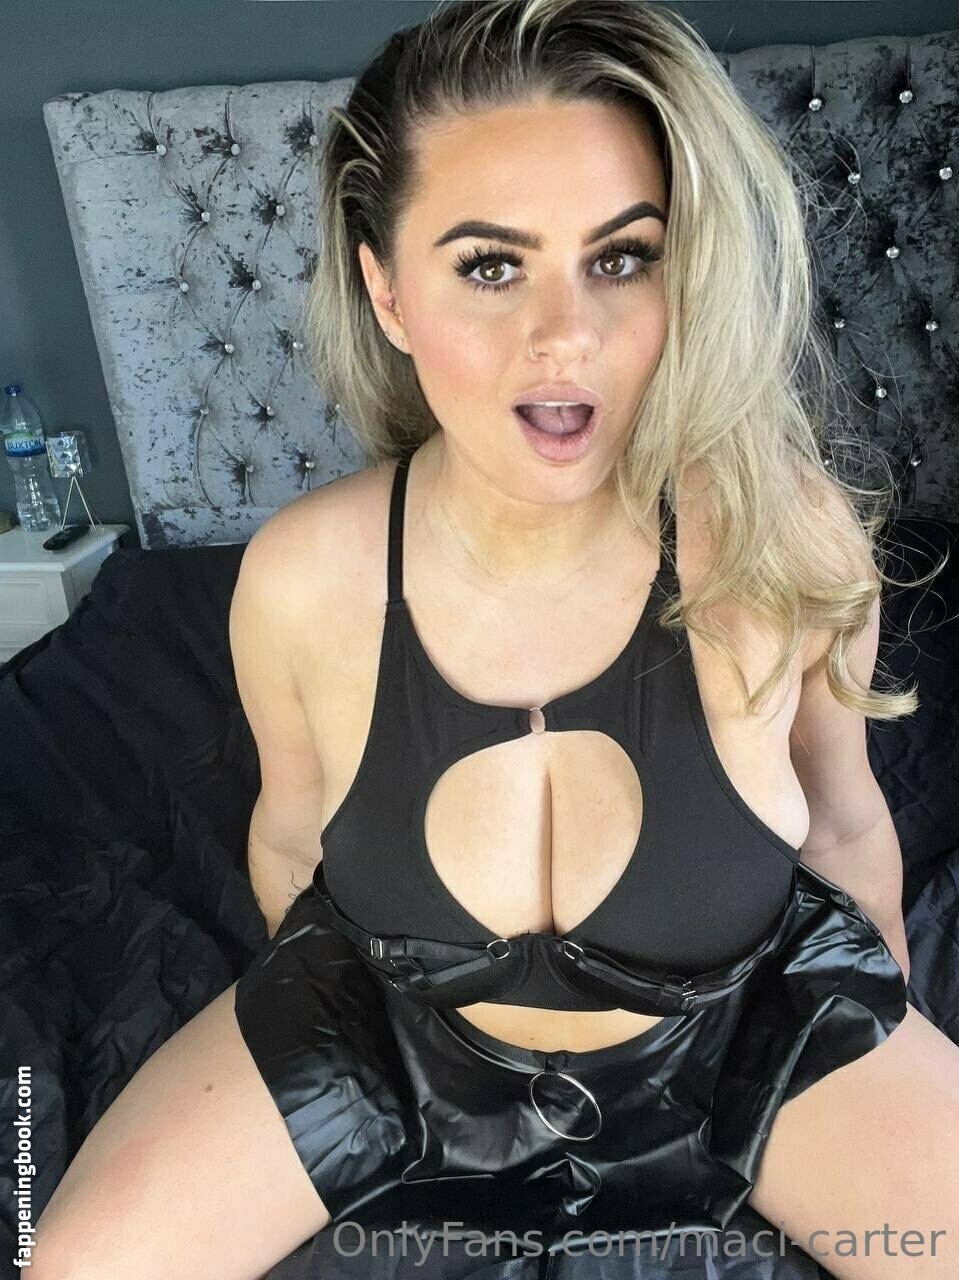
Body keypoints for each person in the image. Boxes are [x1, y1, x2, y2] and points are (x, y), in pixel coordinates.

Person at [31, 1, 959, 1277]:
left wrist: (888, 1041)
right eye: (488, 265)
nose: (563, 335)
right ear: (386, 290)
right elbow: (290, 846)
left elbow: (845, 825)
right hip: (391, 1042)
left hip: (746, 1033)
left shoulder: (779, 540)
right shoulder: (302, 577)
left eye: (621, 257)